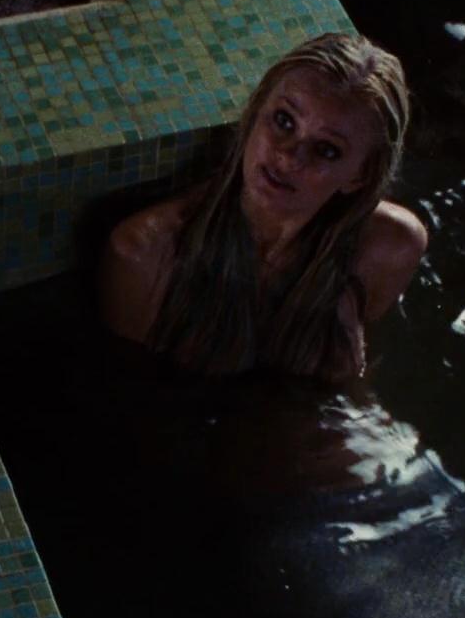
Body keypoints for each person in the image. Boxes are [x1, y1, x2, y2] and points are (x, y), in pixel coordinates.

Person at [101, 32, 429, 384]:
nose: (288, 156)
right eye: (284, 120)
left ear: (359, 176)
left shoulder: (389, 247)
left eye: (326, 150)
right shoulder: (146, 256)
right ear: (256, 112)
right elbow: (130, 393)